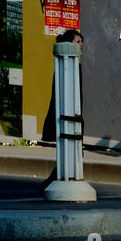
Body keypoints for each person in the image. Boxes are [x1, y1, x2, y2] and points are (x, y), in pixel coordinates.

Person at [39, 30, 83, 192]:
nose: (81, 45)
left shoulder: (74, 65)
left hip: (72, 117)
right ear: (68, 44)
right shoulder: (67, 66)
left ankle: (53, 182)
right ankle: (52, 183)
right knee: (71, 154)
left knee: (73, 154)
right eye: (78, 42)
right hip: (66, 117)